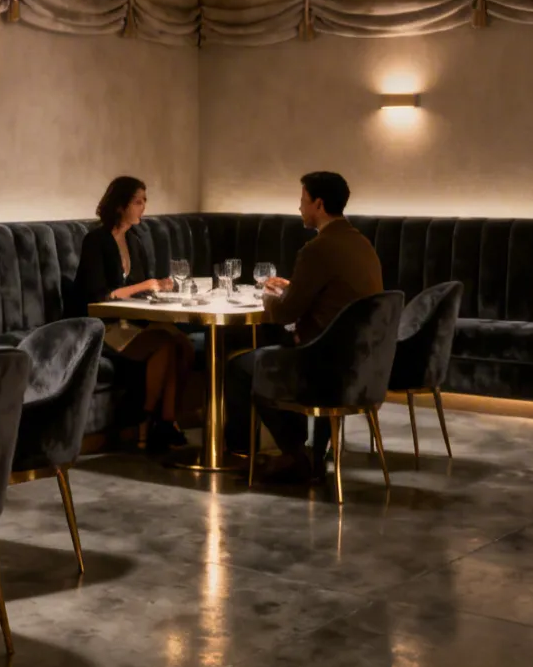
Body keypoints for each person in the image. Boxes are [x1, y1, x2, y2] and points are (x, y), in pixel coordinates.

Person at [227, 171, 384, 484]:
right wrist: (294, 287)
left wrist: (269, 297)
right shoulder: (361, 243)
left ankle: (285, 454)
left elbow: (285, 314)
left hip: (323, 366)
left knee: (239, 367)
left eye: (302, 201)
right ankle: (306, 454)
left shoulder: (317, 248)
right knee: (273, 351)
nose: (299, 208)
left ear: (319, 205)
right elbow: (332, 298)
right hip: (362, 365)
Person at [75, 176, 194, 455]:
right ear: (119, 206)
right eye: (137, 201)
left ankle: (166, 422)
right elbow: (99, 295)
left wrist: (160, 287)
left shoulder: (134, 240)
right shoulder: (95, 241)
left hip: (132, 320)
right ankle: (146, 420)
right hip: (102, 325)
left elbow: (139, 290)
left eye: (144, 201)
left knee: (183, 346)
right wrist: (146, 285)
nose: (143, 207)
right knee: (164, 346)